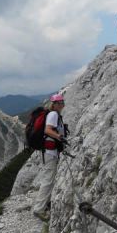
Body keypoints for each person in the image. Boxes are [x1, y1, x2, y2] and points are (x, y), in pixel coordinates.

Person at [33, 93, 66, 221]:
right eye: (61, 102)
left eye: (63, 102)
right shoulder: (53, 115)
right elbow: (47, 130)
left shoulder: (55, 114)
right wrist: (59, 137)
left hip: (50, 152)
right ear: (56, 104)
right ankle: (39, 209)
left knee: (50, 179)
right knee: (48, 180)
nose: (63, 104)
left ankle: (45, 204)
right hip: (50, 152)